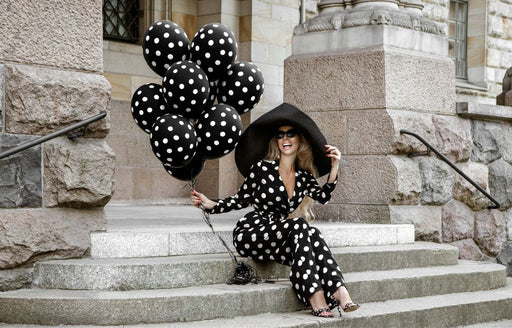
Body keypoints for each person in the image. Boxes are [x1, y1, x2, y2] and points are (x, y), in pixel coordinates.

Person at [191, 103, 359, 318]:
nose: (285, 139)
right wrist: (211, 204)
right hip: (253, 232)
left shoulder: (304, 177)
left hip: (280, 236)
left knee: (313, 233)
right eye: (280, 135)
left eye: (291, 134)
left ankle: (338, 289)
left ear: (300, 140)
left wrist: (334, 166)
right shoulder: (262, 169)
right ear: (276, 140)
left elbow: (324, 197)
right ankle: (316, 294)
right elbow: (241, 199)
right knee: (300, 224)